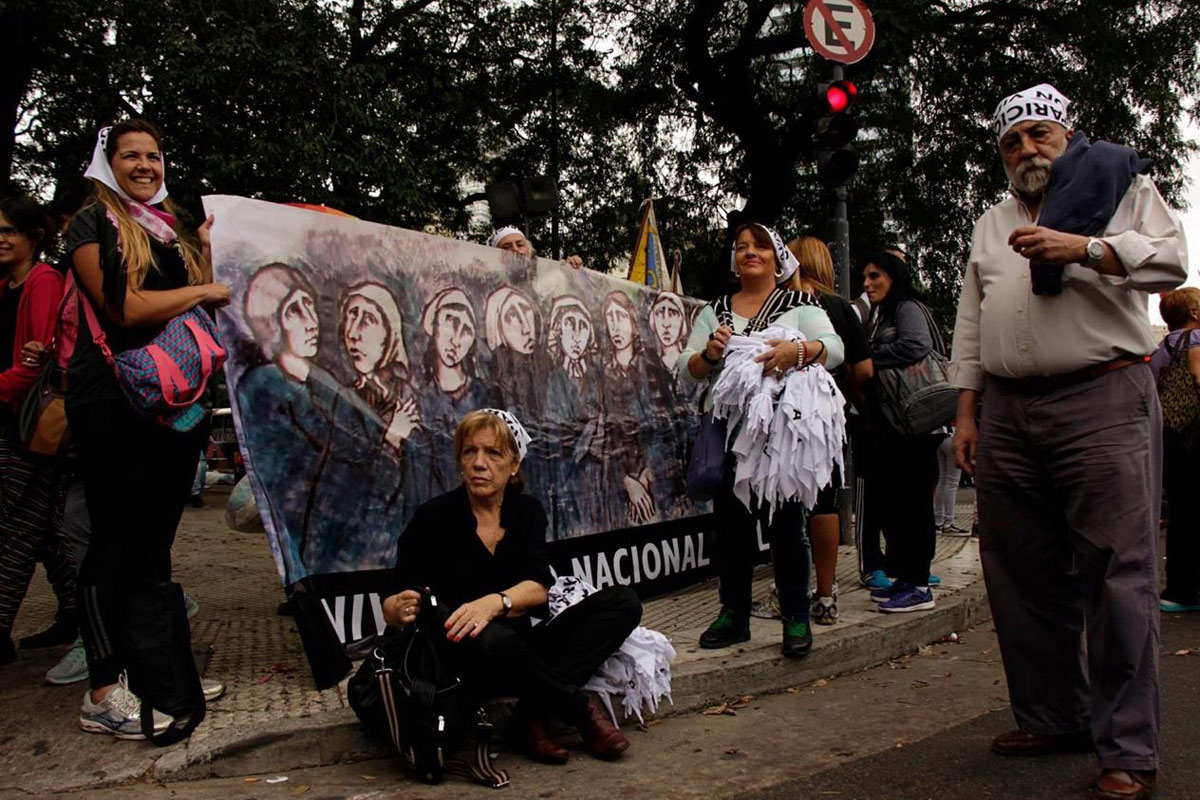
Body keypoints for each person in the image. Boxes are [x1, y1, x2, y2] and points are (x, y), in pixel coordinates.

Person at [950, 84, 1186, 800]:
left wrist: (1086, 248)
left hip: (1102, 396)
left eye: (1039, 134)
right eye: (1011, 142)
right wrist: (967, 412)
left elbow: (1171, 263)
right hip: (1008, 410)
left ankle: (1128, 748)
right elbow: (971, 320)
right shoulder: (991, 222)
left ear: (1067, 135)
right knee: (1019, 572)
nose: (1026, 149)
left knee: (1117, 574)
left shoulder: (1122, 188)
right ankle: (1055, 717)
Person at [65, 120, 230, 739]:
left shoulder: (169, 229)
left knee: (154, 543)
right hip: (113, 399)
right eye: (130, 155)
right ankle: (103, 691)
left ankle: (160, 676)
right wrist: (202, 288)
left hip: (172, 400)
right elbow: (125, 308)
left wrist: (204, 253)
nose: (144, 165)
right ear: (107, 164)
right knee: (114, 541)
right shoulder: (94, 223)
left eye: (153, 156)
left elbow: (200, 300)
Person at [383, 409, 641, 764]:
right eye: (470, 452)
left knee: (623, 602)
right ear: (460, 461)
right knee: (493, 638)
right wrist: (397, 609)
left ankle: (530, 715)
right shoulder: (433, 517)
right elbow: (394, 600)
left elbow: (539, 587)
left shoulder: (527, 511)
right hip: (462, 658)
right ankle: (580, 710)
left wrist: (495, 602)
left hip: (522, 651)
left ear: (514, 464)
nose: (479, 463)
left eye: (493, 453)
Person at [679, 222, 843, 657]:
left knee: (787, 527)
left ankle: (796, 616)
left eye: (760, 246)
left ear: (777, 258)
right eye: (741, 247)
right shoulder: (715, 310)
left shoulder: (800, 304)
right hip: (729, 435)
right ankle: (734, 615)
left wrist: (798, 352)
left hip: (781, 438)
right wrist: (710, 354)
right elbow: (686, 367)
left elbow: (834, 347)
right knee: (731, 530)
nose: (749, 252)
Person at [0, 195, 76, 666]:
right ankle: (76, 610)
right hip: (14, 415)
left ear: (34, 237)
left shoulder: (43, 281)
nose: (1, 239)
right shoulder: (7, 285)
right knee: (45, 526)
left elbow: (37, 363)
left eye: (9, 230)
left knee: (14, 525)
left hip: (29, 422)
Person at [786, 236, 873, 625]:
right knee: (825, 501)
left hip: (783, 415)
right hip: (827, 416)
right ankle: (824, 594)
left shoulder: (780, 304)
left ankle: (788, 592)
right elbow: (865, 370)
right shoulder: (839, 307)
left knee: (786, 502)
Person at [861, 251, 943, 613]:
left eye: (875, 276)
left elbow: (916, 345)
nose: (867, 284)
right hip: (894, 425)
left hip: (918, 424)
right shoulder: (881, 313)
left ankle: (919, 585)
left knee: (915, 504)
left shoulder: (907, 308)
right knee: (896, 504)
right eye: (865, 277)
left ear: (893, 278)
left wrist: (870, 358)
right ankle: (905, 578)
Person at [1152, 288, 1200, 613]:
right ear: (1194, 313)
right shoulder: (1197, 338)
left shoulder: (1162, 347)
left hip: (1170, 433)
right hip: (1196, 432)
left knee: (1183, 512)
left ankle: (1179, 590)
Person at [489, 226, 583, 270]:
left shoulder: (546, 277)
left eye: (520, 245)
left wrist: (570, 269)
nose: (515, 249)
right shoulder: (486, 282)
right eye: (507, 247)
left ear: (529, 251)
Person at [934, 424, 966, 534]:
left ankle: (938, 520)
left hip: (939, 438)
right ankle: (949, 521)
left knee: (942, 481)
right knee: (952, 483)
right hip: (954, 436)